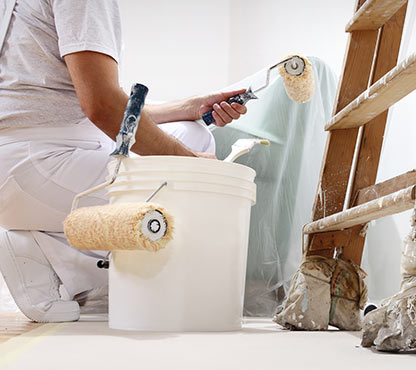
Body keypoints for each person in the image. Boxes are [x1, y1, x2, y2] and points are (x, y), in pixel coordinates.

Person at [0, 0, 247, 322]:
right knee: (193, 198)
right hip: (35, 163)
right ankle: (46, 251)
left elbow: (76, 104)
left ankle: (47, 238)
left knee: (191, 132)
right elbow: (102, 106)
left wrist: (186, 107)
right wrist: (193, 168)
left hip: (28, 155)